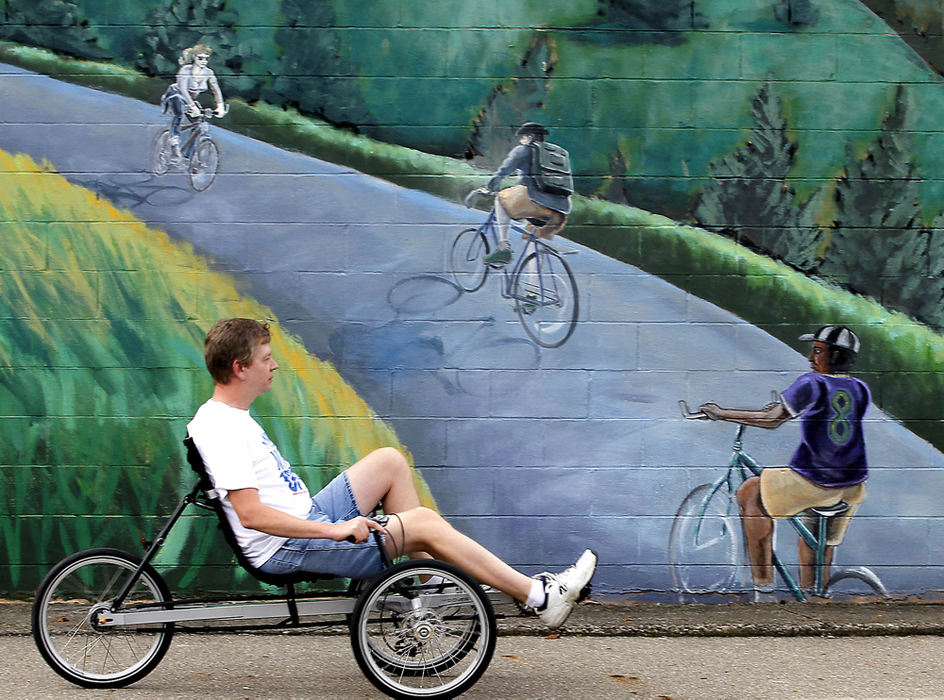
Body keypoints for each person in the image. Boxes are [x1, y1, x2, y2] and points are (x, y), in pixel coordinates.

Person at [187, 318, 597, 628]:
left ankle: (427, 588)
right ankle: (540, 597)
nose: (274, 365)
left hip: (304, 517)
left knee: (388, 461)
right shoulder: (222, 428)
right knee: (421, 523)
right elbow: (252, 516)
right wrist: (336, 530)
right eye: (265, 358)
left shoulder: (232, 417)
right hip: (286, 546)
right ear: (241, 368)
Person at [697, 326, 870, 594]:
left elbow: (772, 420)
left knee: (750, 492)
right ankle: (816, 598)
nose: (810, 358)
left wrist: (721, 413)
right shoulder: (860, 388)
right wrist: (786, 407)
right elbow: (832, 413)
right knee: (816, 540)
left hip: (816, 480)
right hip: (852, 484)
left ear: (834, 356)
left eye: (817, 351)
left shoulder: (811, 383)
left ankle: (763, 589)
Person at [476, 122, 572, 266]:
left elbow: (503, 171)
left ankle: (504, 248)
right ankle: (533, 288)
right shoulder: (555, 156)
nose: (521, 140)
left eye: (522, 137)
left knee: (500, 197)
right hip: (560, 213)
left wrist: (489, 187)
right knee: (533, 242)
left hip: (536, 203)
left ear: (528, 137)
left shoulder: (523, 150)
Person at [160, 44, 226, 164]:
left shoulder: (208, 73)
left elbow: (216, 89)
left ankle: (187, 156)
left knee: (198, 124)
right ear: (194, 57)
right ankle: (174, 146)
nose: (203, 61)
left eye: (206, 58)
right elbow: (183, 90)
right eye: (200, 58)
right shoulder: (186, 70)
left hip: (190, 100)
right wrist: (192, 106)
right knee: (179, 114)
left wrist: (220, 105)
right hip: (176, 94)